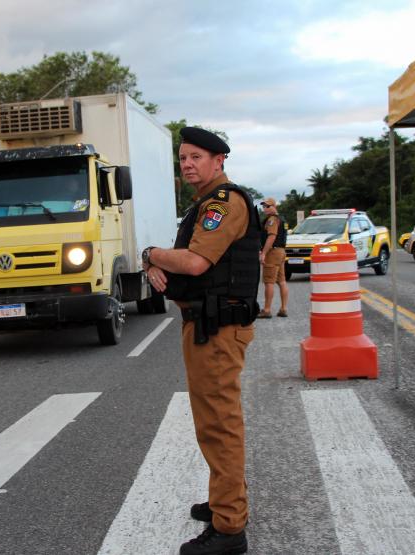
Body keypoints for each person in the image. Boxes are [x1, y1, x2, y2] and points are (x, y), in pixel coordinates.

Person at [141, 126, 259, 555]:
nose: (188, 164)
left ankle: (230, 528)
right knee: (212, 422)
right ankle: (225, 500)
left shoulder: (224, 204)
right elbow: (191, 265)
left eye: (196, 157)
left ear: (218, 161)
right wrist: (154, 263)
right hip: (207, 324)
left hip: (218, 329)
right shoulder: (206, 204)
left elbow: (194, 262)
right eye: (183, 158)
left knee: (219, 425)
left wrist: (152, 254)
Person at [258, 198, 288, 318]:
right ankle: (283, 308)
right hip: (281, 251)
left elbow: (271, 237)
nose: (265, 208)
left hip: (273, 252)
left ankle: (266, 310)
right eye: (264, 206)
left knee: (269, 281)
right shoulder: (281, 218)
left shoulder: (272, 220)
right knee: (282, 281)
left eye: (268, 206)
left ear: (274, 206)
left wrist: (263, 253)